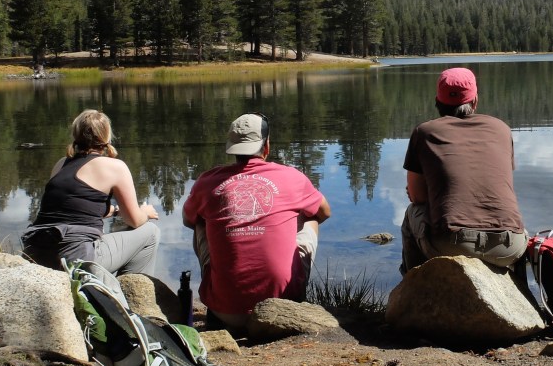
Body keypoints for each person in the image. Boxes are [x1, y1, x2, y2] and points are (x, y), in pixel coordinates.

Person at [182, 113, 331, 329]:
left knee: (200, 222)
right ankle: (293, 293)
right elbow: (325, 212)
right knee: (311, 217)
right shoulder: (292, 176)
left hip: (225, 312)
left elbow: (188, 220)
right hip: (282, 306)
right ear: (267, 145)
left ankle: (222, 288)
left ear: (231, 147)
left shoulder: (207, 181)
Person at [400, 67, 527, 274]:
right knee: (517, 225)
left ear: (437, 101)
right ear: (475, 100)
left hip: (453, 243)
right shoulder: (501, 128)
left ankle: (414, 288)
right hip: (509, 245)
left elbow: (417, 197)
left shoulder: (424, 132)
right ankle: (523, 296)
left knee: (412, 214)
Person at [22, 109, 160, 275]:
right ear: (106, 136)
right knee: (150, 233)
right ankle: (128, 294)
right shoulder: (115, 167)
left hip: (36, 253)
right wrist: (145, 212)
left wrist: (115, 211)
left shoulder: (61, 164)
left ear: (76, 134)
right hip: (75, 257)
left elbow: (72, 208)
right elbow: (134, 220)